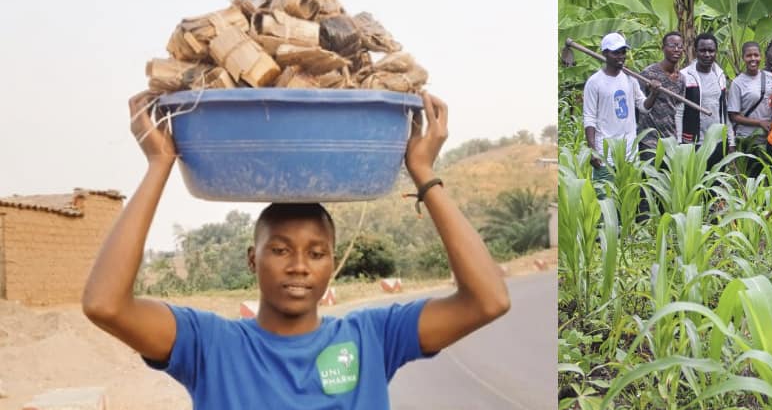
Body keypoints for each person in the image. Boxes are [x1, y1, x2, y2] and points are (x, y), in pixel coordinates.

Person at [85, 92, 510, 409]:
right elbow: (105, 305)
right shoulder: (209, 345)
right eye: (281, 250)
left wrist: (423, 172)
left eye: (317, 252)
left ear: (334, 264)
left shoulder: (372, 338)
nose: (300, 267)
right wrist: (159, 164)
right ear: (253, 259)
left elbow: (488, 300)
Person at [583, 33, 648, 180]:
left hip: (629, 153)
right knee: (605, 200)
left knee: (629, 201)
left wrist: (654, 94)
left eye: (623, 52)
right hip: (605, 155)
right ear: (605, 53)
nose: (621, 56)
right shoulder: (595, 82)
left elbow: (643, 106)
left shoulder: (630, 78)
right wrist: (593, 150)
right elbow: (589, 118)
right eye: (616, 53)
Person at [676, 33, 733, 169]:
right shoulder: (685, 76)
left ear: (716, 52)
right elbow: (679, 111)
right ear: (695, 52)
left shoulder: (720, 75)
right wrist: (679, 141)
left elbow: (724, 109)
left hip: (718, 140)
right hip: (694, 141)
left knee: (716, 183)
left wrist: (730, 140)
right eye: (703, 50)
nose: (707, 54)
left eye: (711, 51)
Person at [727, 41, 772, 175]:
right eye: (749, 56)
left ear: (761, 56)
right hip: (748, 140)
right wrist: (759, 123)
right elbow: (734, 116)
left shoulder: (770, 78)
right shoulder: (737, 83)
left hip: (769, 137)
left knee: (768, 176)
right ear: (743, 58)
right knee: (751, 176)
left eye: (756, 55)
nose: (753, 59)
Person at [637, 32, 685, 158]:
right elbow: (638, 105)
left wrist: (678, 139)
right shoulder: (648, 74)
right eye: (672, 45)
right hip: (649, 141)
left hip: (670, 141)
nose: (676, 50)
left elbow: (679, 109)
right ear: (662, 48)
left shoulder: (681, 78)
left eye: (680, 46)